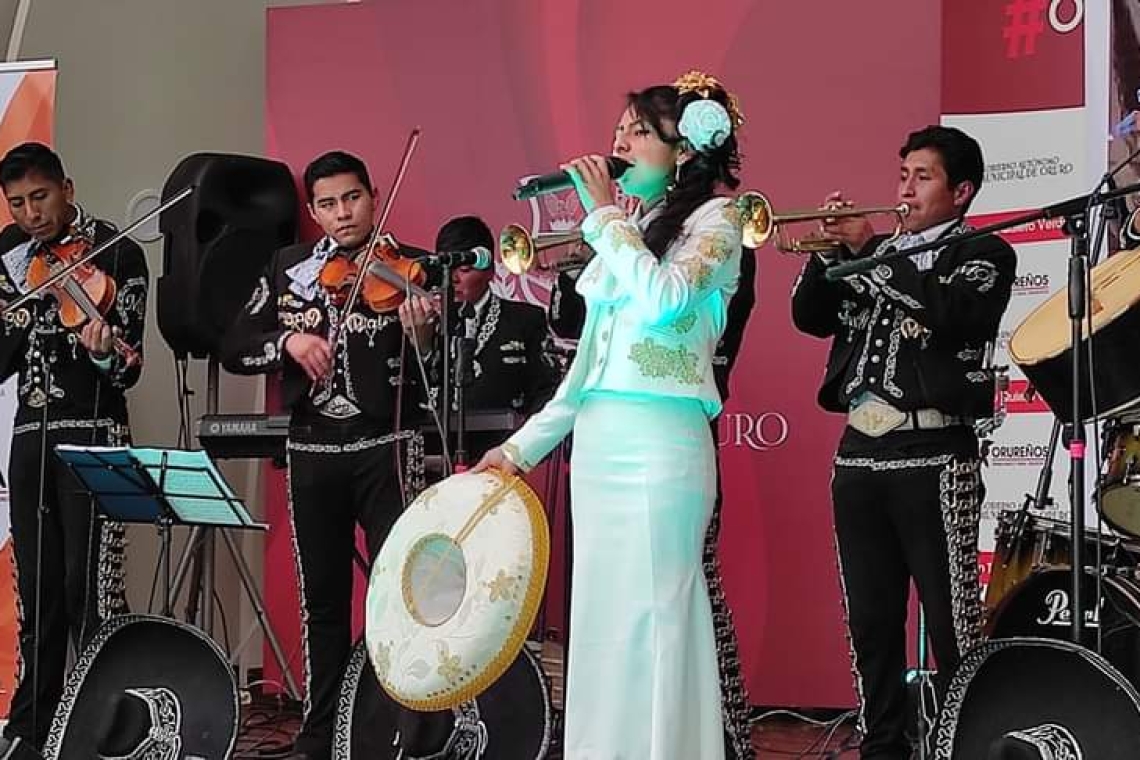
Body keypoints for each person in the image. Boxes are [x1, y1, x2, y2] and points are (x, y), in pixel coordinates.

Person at [474, 70, 745, 760]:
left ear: (683, 149)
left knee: (657, 621)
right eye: (617, 130)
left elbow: (665, 302)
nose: (617, 143)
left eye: (636, 132)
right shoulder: (633, 230)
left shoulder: (719, 222)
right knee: (599, 624)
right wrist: (519, 451)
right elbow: (584, 370)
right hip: (599, 447)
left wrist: (602, 215)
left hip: (662, 445)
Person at [791, 125, 1016, 759]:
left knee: (951, 621)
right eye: (903, 175)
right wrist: (829, 256)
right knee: (870, 620)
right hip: (859, 454)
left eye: (923, 177)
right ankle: (883, 746)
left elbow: (953, 316)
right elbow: (809, 318)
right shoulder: (876, 252)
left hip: (936, 453)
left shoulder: (986, 254)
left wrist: (874, 255)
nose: (906, 189)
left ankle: (961, 744)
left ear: (961, 191)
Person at [219, 149, 433, 760]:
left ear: (371, 195)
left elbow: (441, 370)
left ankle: (407, 731)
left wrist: (422, 332)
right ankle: (323, 735)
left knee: (401, 592)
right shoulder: (288, 268)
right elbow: (237, 343)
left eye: (353, 199)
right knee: (323, 602)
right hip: (313, 449)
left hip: (388, 448)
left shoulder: (410, 266)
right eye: (328, 204)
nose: (343, 214)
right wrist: (287, 339)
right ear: (312, 210)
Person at [0, 142, 145, 756]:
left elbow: (128, 367)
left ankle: (100, 723)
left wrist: (102, 347)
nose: (32, 214)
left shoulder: (119, 251)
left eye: (41, 197)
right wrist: (19, 315)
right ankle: (33, 725)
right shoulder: (8, 259)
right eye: (17, 203)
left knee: (93, 589)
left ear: (68, 188)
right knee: (38, 587)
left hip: (94, 435)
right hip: (31, 436)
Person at [426, 214, 559, 463]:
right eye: (447, 269)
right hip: (434, 456)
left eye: (464, 269)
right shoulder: (425, 321)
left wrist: (523, 448)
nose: (454, 279)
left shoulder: (525, 319)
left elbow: (545, 391)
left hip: (502, 457)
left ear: (490, 270)